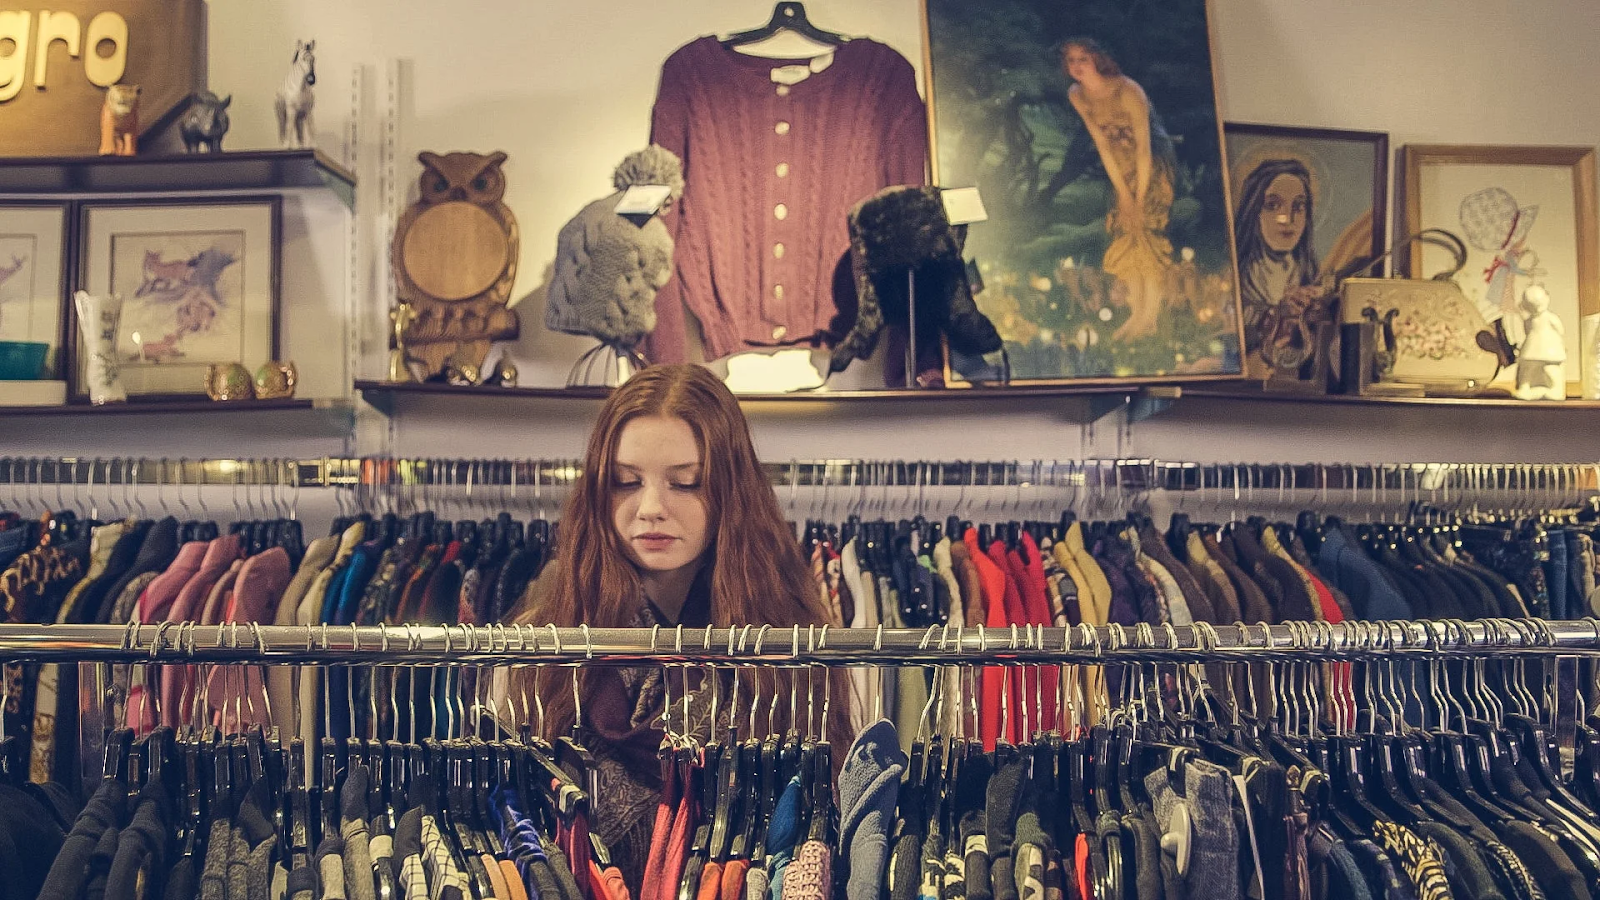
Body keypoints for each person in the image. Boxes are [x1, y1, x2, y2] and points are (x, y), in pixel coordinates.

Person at [512, 363, 848, 893]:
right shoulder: (548, 639)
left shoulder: (789, 644)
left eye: (684, 483)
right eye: (625, 482)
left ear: (728, 491)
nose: (650, 509)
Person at [1061, 37, 1176, 342]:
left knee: (1147, 237)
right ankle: (1137, 315)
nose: (1076, 67)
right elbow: (1102, 145)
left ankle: (1149, 317)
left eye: (1082, 59)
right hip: (1121, 171)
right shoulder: (1077, 95)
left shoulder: (1128, 91)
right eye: (1071, 60)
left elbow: (1144, 150)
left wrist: (1138, 199)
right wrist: (1123, 194)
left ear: (1096, 58)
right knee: (1127, 239)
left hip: (1151, 168)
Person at [1233, 158, 1324, 369]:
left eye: (1298, 206)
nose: (1287, 218)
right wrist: (1274, 316)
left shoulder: (1309, 275)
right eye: (1273, 205)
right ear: (1254, 211)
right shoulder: (1236, 277)